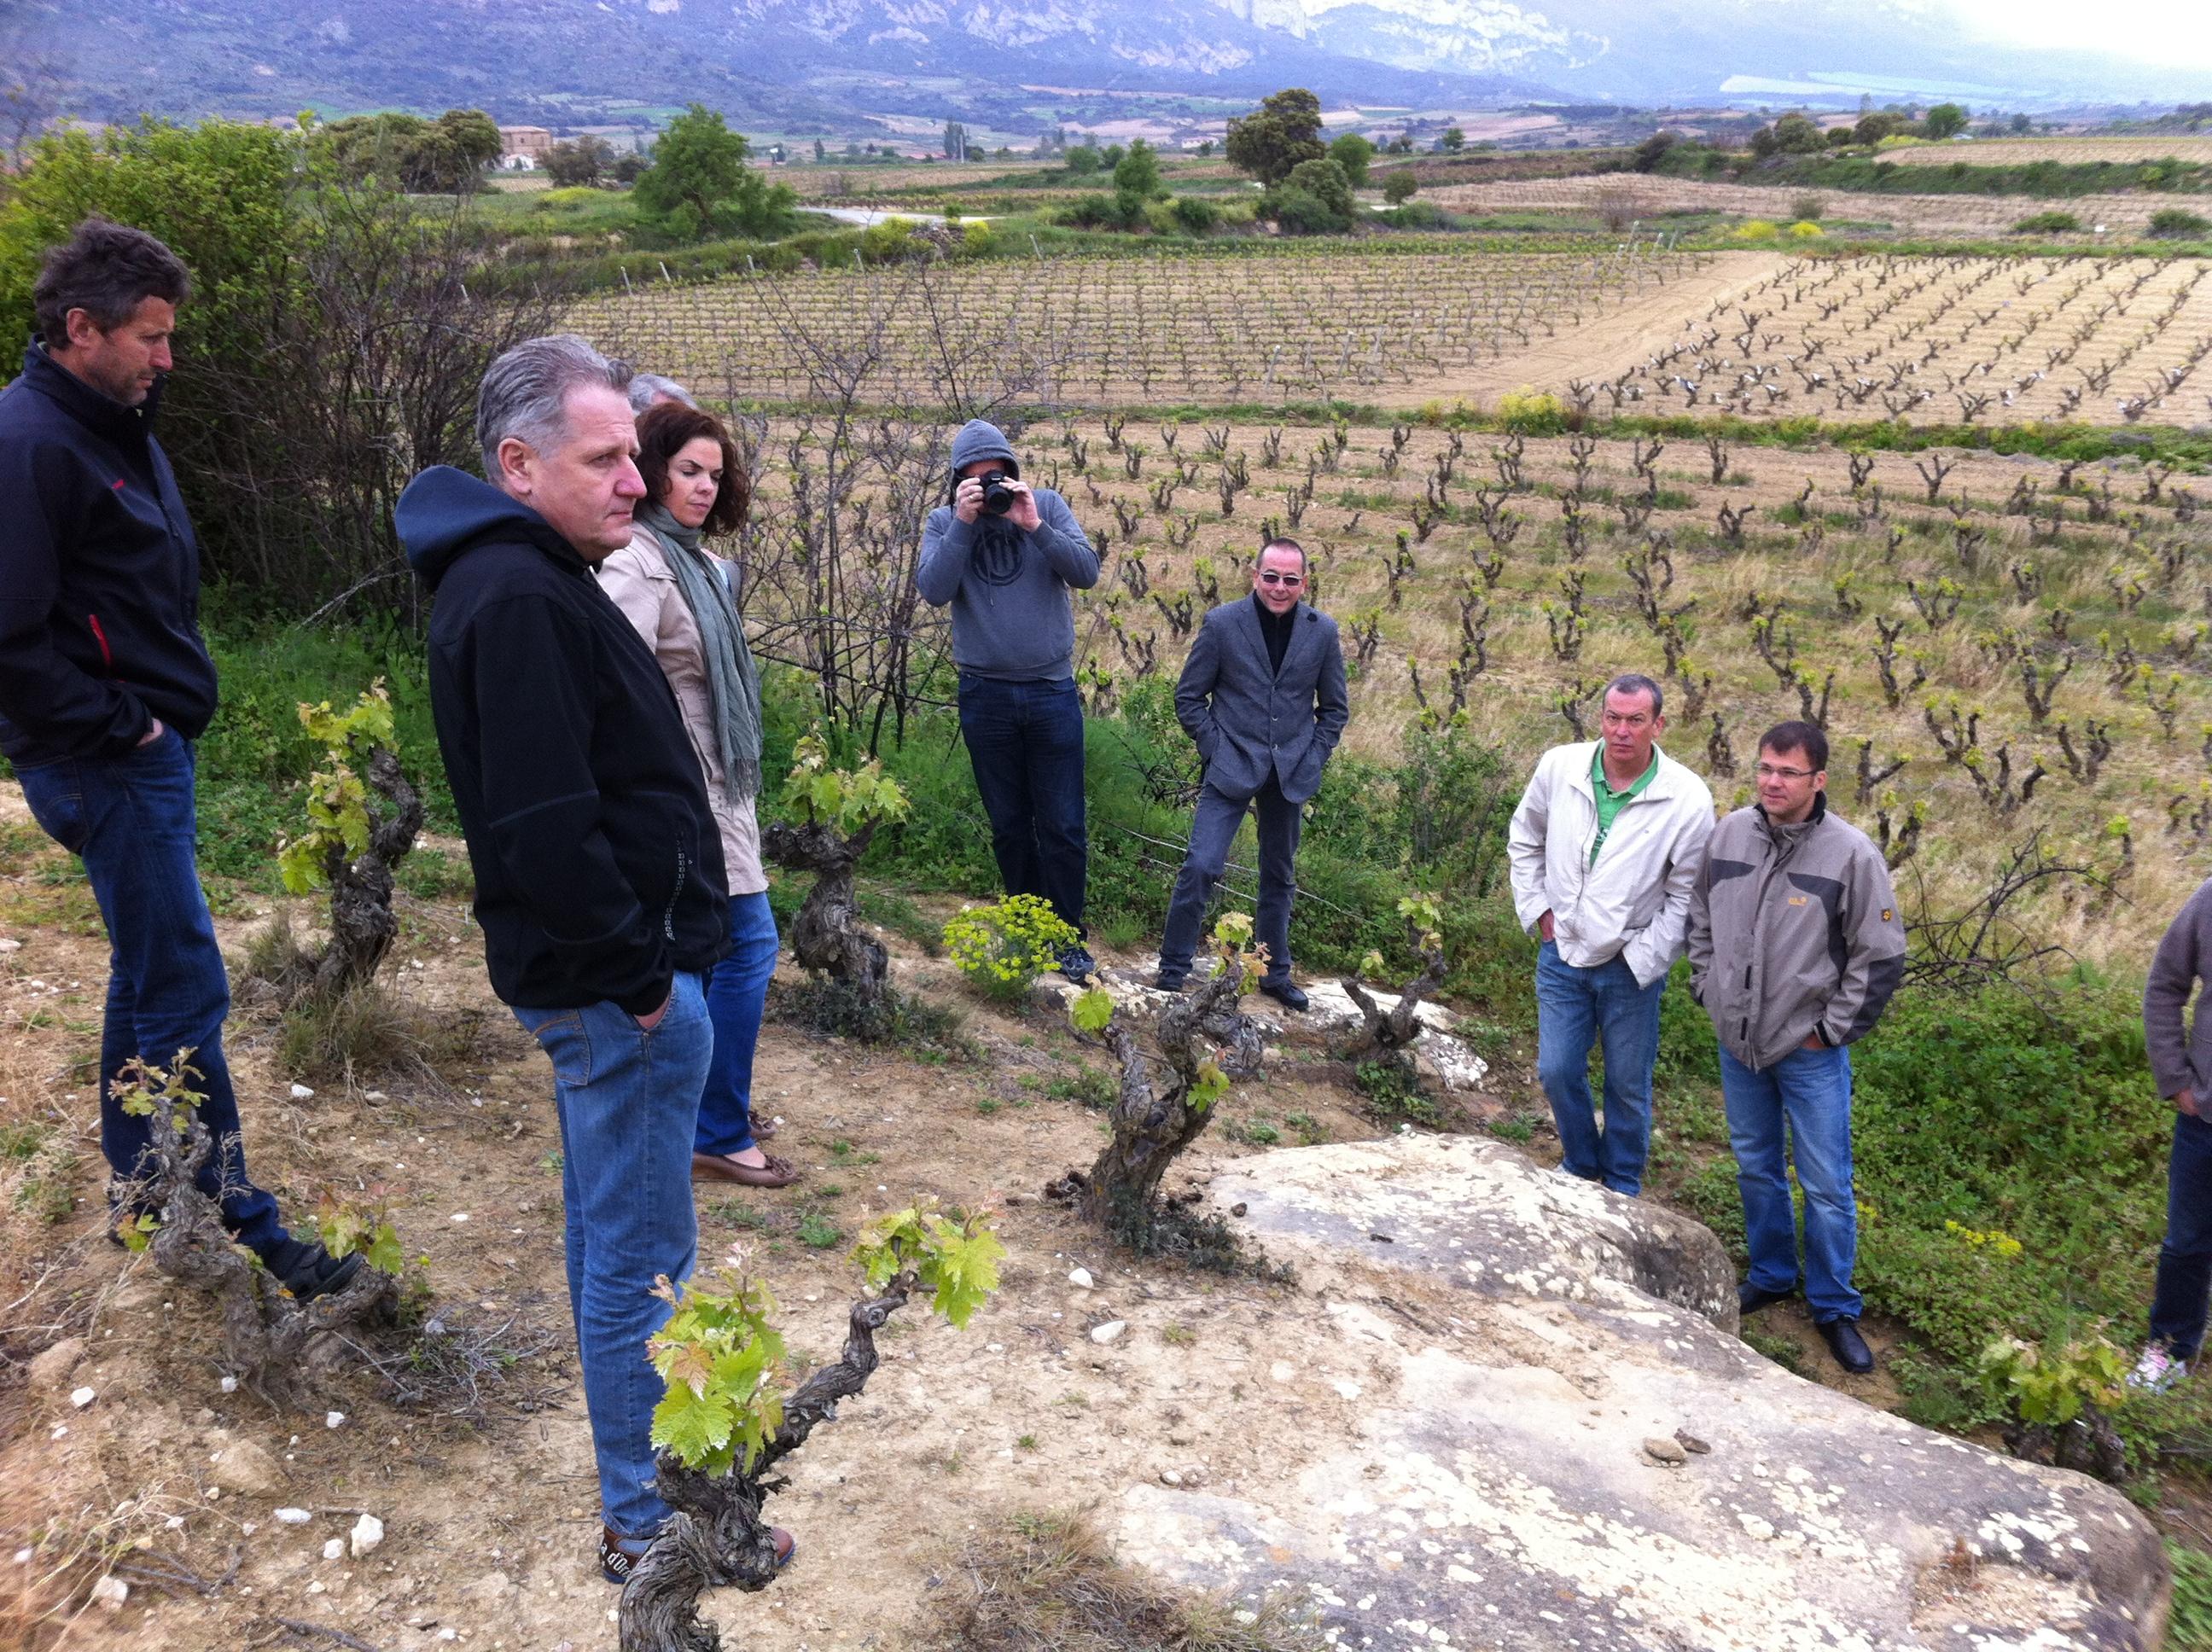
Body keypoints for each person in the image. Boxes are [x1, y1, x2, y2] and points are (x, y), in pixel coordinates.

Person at [396, 334, 789, 1585]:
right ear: (519, 464)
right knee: (640, 1260)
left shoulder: (537, 571)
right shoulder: (514, 597)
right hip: (614, 996)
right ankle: (645, 1519)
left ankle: (639, 1498)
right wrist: (647, 988)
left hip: (612, 988)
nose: (637, 479)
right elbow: (543, 831)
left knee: (610, 1237)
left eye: (636, 453)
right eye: (607, 457)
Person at [0, 218, 358, 1298]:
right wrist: (124, 726)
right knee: (185, 987)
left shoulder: (114, 422)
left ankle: (151, 1191)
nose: (169, 359)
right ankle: (231, 1215)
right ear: (80, 329)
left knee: (147, 976)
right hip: (100, 760)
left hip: (137, 753)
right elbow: (8, 637)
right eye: (151, 337)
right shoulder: (30, 445)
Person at [598, 400, 797, 1190]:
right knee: (748, 947)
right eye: (688, 470)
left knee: (720, 952)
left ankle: (710, 1108)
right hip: (688, 796)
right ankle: (714, 1127)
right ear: (650, 469)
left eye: (716, 474)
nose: (706, 487)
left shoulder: (702, 567)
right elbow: (613, 688)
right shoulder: (637, 564)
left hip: (726, 786)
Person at [1685, 721, 1904, 1376]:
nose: (1772, 782)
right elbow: (1699, 915)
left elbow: (1881, 956)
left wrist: (1830, 1031)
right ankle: (1773, 1273)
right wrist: (1709, 988)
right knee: (1755, 1164)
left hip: (1807, 1050)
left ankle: (1835, 1306)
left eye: (1787, 772)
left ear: (1819, 780)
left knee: (1827, 1185)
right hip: (1740, 1041)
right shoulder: (1728, 836)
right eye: (1765, 769)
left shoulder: (1851, 855)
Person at [1507, 673, 1714, 1196]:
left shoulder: (1687, 798)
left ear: (1658, 725)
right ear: (1600, 718)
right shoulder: (1561, 767)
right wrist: (1540, 912)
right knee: (1556, 1069)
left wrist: (1643, 956)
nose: (1622, 731)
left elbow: (1688, 895)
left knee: (1626, 1082)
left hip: (1629, 964)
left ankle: (1621, 1181)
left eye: (1636, 720)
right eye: (1613, 718)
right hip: (1562, 952)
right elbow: (1525, 837)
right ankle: (1580, 1163)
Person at [917, 419, 1101, 981]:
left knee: (1064, 824)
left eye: (994, 476)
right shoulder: (945, 521)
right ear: (956, 483)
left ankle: (1067, 936)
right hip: (985, 694)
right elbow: (933, 590)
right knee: (1009, 824)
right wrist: (965, 524)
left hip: (1051, 690)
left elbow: (1087, 572)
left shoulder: (1044, 504)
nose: (987, 487)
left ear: (1012, 472)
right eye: (973, 481)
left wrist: (1035, 525)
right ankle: (1027, 926)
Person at [1154, 539, 1348, 1010]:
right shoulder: (1222, 624)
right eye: (1271, 577)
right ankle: (1172, 968)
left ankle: (1273, 972)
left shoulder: (1322, 632)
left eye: (1291, 579)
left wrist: (1313, 755)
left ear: (1305, 581)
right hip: (1232, 763)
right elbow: (1188, 698)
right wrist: (1216, 749)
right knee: (1202, 865)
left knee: (1279, 875)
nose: (1280, 588)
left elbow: (1335, 709)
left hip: (1291, 770)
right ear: (1254, 574)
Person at [2137, 876, 2212, 1391]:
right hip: (2206, 1117)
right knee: (2186, 1243)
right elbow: (2165, 985)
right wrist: (2176, 1079)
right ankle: (2170, 1349)